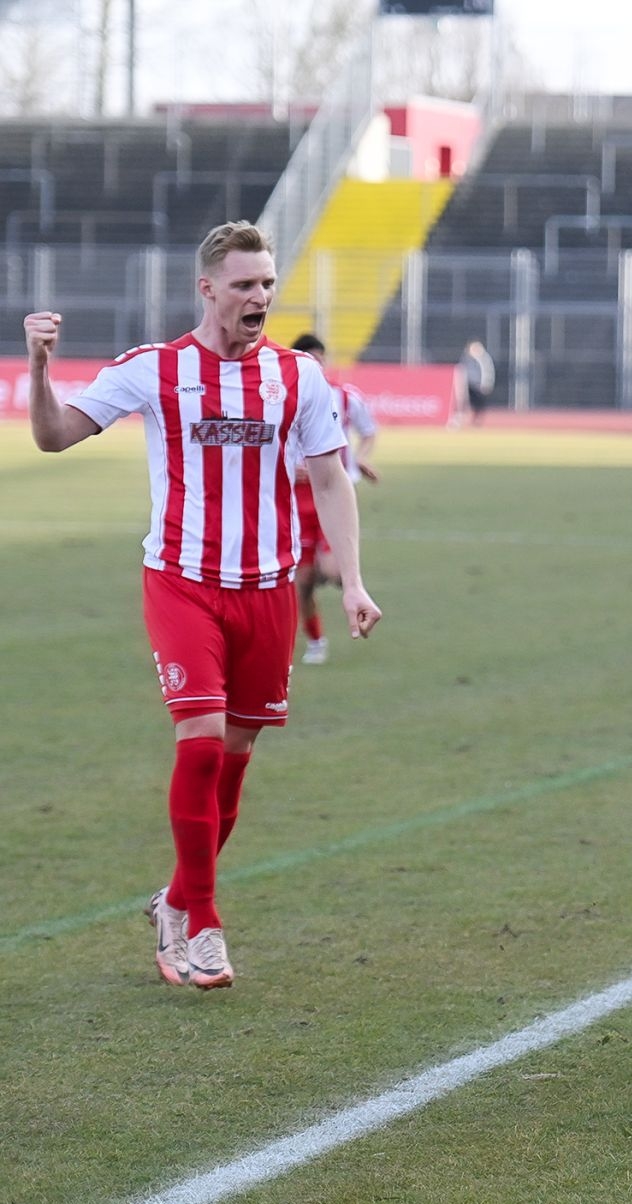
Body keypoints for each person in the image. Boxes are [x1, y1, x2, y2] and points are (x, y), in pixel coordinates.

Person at [23, 220, 382, 990]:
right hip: (183, 583)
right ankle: (206, 923)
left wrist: (352, 580)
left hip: (268, 591)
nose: (260, 296)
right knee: (202, 741)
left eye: (268, 283)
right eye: (245, 284)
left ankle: (176, 902)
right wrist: (41, 366)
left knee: (234, 762)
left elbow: (330, 479)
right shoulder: (156, 368)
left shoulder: (297, 377)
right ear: (208, 289)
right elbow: (53, 436)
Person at [288, 332, 379, 666]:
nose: (315, 365)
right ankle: (316, 641)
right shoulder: (278, 397)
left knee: (331, 569)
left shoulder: (344, 396)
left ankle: (347, 582)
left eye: (319, 359)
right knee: (302, 583)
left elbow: (369, 431)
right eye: (308, 359)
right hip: (296, 501)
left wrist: (360, 458)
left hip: (331, 493)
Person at [452, 338, 494, 427]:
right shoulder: (465, 359)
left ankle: (476, 421)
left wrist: (486, 384)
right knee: (462, 403)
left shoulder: (483, 360)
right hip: (467, 385)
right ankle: (458, 420)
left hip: (478, 386)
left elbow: (487, 372)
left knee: (479, 405)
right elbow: (461, 371)